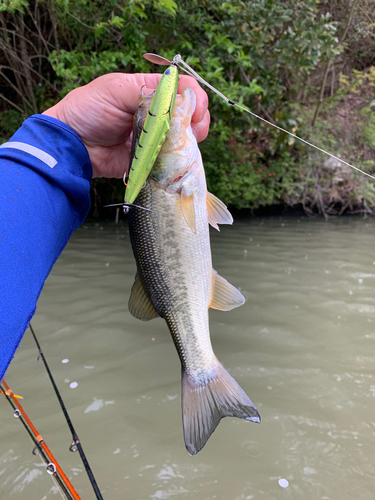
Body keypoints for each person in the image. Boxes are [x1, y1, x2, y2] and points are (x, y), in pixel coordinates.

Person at [0, 72, 210, 380]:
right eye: (156, 132)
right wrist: (67, 136)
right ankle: (202, 371)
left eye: (160, 131)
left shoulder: (174, 184)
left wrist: (70, 137)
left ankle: (201, 370)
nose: (163, 123)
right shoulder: (175, 185)